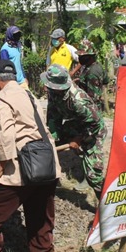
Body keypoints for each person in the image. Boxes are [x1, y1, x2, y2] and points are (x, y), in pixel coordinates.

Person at [0, 59, 61, 252]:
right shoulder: (28, 95)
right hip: (47, 164)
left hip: (25, 166)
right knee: (40, 216)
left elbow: (5, 135)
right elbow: (30, 131)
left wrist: (0, 167)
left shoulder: (1, 99)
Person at [42, 64, 106, 199]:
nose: (46, 86)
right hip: (77, 124)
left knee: (93, 175)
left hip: (93, 131)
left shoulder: (78, 100)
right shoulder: (53, 93)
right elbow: (53, 117)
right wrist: (51, 138)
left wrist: (78, 139)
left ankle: (106, 205)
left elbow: (94, 123)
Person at [75, 39, 106, 111]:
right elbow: (105, 81)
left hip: (90, 110)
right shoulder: (97, 66)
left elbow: (91, 98)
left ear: (91, 56)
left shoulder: (92, 72)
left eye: (83, 56)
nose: (80, 58)